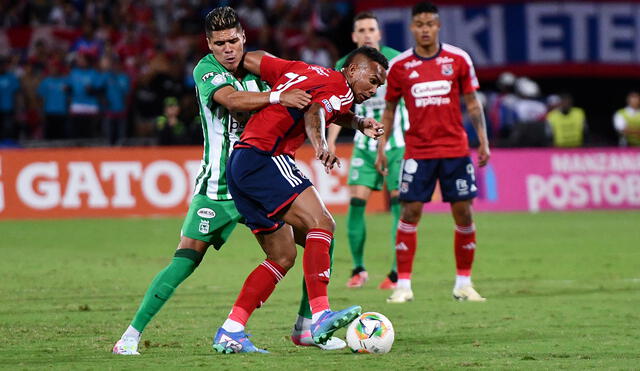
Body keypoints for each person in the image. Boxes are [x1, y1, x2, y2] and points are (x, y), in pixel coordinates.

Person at [112, 7, 322, 355]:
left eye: (233, 41)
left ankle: (306, 327)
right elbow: (231, 99)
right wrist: (276, 97)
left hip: (259, 181)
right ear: (209, 45)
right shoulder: (206, 70)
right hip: (218, 186)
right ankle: (129, 337)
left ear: (244, 38)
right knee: (186, 260)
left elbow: (304, 91)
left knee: (315, 237)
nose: (228, 49)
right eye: (219, 43)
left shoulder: (263, 66)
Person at [212, 46, 387, 353]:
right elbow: (317, 112)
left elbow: (254, 58)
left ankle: (232, 329)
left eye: (379, 86)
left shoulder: (301, 69)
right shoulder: (339, 86)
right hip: (265, 157)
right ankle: (318, 317)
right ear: (351, 71)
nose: (373, 90)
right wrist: (320, 145)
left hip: (240, 163)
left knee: (282, 256)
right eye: (372, 80)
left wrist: (359, 123)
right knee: (323, 224)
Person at [376, 2, 490, 304]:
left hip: (455, 149)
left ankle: (463, 284)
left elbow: (473, 103)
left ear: (438, 26)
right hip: (419, 151)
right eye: (420, 24)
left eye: (430, 23)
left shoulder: (458, 59)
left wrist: (483, 140)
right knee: (409, 212)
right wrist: (381, 147)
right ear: (412, 27)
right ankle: (403, 285)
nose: (425, 29)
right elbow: (388, 110)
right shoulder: (400, 66)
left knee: (463, 211)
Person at [327, 11, 409, 290]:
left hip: (397, 142)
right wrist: (330, 142)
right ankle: (359, 269)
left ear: (379, 33)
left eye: (371, 29)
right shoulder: (346, 64)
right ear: (354, 36)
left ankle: (398, 273)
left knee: (400, 202)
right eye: (361, 30)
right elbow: (339, 107)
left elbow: (403, 102)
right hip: (364, 142)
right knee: (357, 202)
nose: (366, 34)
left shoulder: (397, 60)